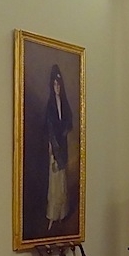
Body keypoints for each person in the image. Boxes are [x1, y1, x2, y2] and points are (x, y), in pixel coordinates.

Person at [43, 64, 73, 230]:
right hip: (54, 148)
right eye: (54, 84)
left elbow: (69, 121)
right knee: (54, 183)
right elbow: (49, 129)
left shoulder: (64, 103)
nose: (57, 88)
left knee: (62, 182)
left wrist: (65, 130)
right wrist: (54, 148)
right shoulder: (50, 105)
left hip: (63, 144)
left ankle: (62, 214)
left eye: (59, 85)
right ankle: (52, 215)